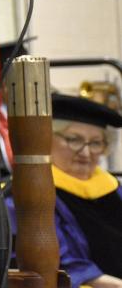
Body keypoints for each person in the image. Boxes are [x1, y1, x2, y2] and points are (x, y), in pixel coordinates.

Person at [48, 93, 122, 288]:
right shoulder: (31, 195)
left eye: (96, 143)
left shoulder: (113, 188)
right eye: (74, 139)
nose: (86, 152)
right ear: (47, 139)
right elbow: (60, 264)